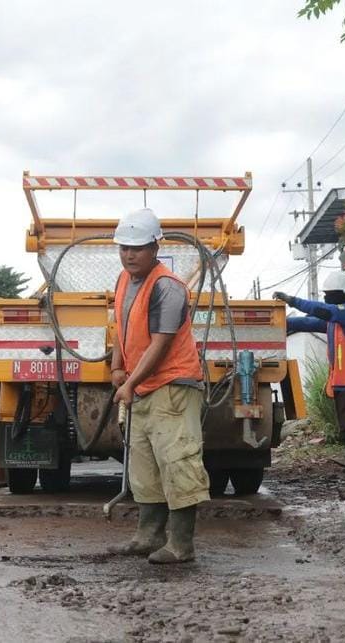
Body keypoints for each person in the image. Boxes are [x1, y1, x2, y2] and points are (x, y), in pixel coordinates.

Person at [106, 208, 209, 565]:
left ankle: (181, 544)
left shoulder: (168, 287)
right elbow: (121, 328)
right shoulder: (123, 281)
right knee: (144, 466)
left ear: (155, 247)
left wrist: (130, 382)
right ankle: (148, 535)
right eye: (123, 248)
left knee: (178, 462)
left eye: (137, 248)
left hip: (173, 388)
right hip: (144, 388)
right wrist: (117, 368)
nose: (129, 254)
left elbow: (160, 343)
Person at [275, 270, 345, 499]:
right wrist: (278, 322)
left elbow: (321, 310)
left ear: (343, 294)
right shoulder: (336, 321)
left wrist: (292, 300)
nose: (326, 298)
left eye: (329, 294)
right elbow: (308, 322)